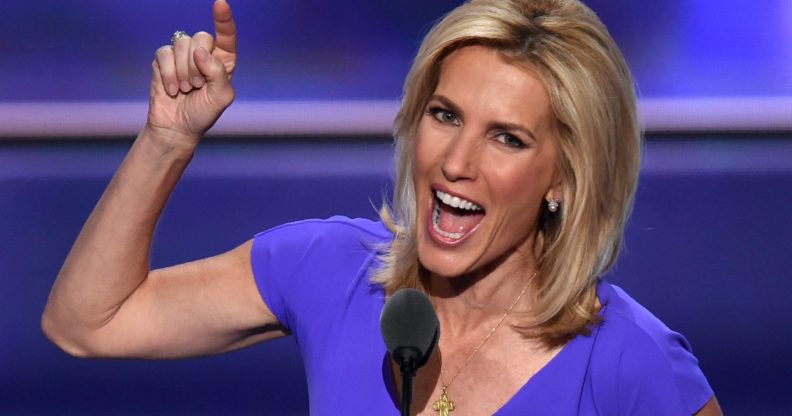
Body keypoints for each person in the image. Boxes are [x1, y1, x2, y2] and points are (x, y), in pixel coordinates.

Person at [42, 0, 721, 414]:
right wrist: (168, 139)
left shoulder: (632, 363)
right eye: (444, 115)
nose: (457, 161)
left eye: (507, 138)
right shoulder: (330, 270)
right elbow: (88, 323)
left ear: (564, 179)